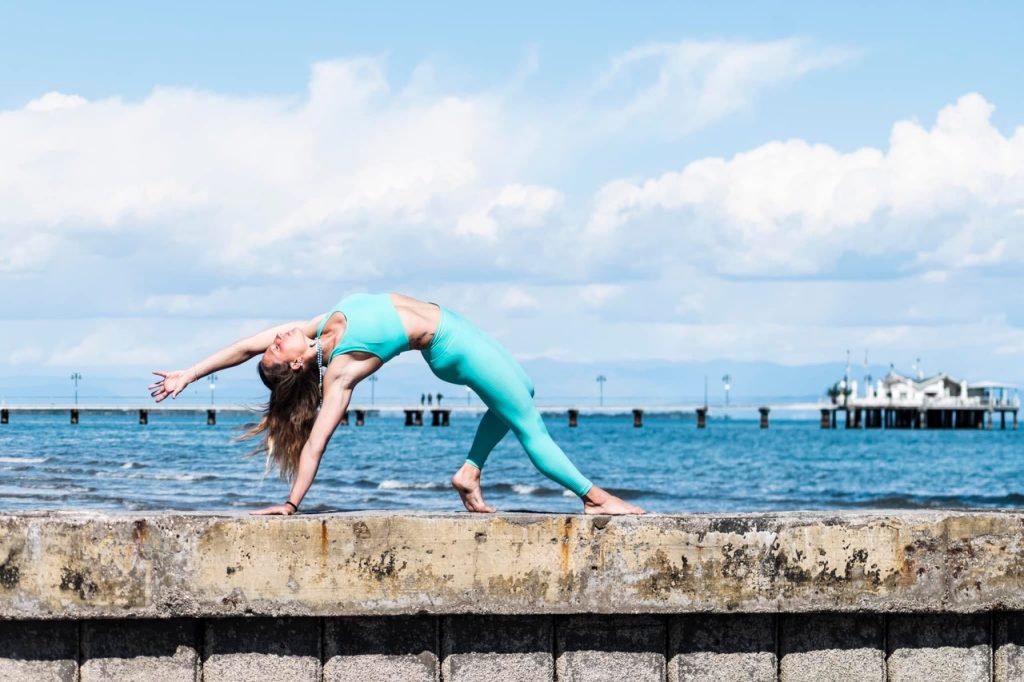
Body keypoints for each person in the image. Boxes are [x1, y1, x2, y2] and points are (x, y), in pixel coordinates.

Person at [149, 292, 644, 516]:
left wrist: (189, 373)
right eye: (278, 347)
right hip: (452, 345)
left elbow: (242, 349)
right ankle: (595, 498)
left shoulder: (312, 329)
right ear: (297, 366)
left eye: (274, 342)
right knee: (529, 422)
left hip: (454, 326)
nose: (276, 337)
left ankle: (469, 473)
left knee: (522, 393)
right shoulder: (341, 370)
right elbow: (317, 442)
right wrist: (291, 503)